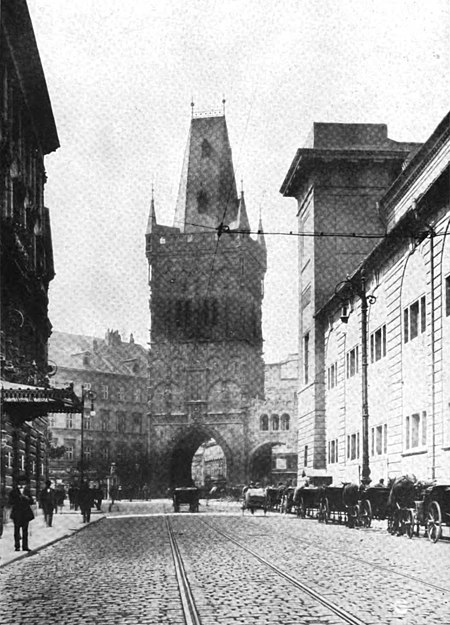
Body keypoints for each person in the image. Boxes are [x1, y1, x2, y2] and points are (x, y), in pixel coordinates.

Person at [8, 475, 35, 552]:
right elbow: (10, 502)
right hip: (17, 513)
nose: (22, 484)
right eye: (20, 483)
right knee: (16, 530)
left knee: (25, 530)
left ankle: (25, 546)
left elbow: (31, 502)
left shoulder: (27, 491)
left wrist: (27, 498)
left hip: (25, 513)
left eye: (23, 483)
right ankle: (17, 546)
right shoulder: (13, 492)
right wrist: (17, 500)